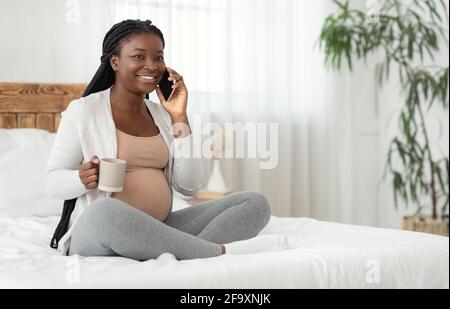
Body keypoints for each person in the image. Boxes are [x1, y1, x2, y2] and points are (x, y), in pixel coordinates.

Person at [46, 19, 288, 261]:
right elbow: (52, 182)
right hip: (101, 231)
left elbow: (189, 186)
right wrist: (81, 178)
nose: (151, 66)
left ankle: (181, 252)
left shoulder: (162, 115)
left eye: (158, 57)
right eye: (139, 57)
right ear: (115, 61)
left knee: (253, 203)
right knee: (105, 212)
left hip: (160, 227)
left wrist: (179, 116)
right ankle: (217, 253)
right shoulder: (84, 111)